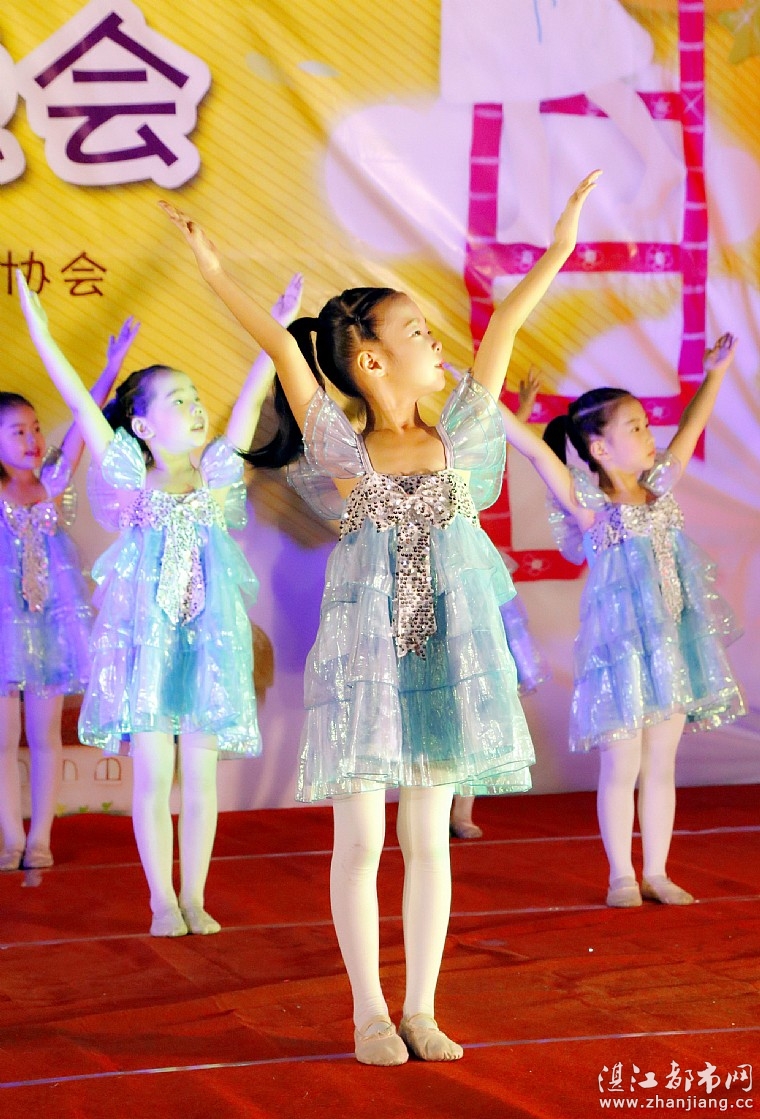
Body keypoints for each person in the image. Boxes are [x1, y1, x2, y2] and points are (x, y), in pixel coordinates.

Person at [159, 169, 598, 1063]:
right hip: (366, 659)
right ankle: (368, 1011)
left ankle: (422, 1008)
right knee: (359, 840)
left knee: (428, 838)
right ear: (369, 361)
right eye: (418, 332)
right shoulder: (338, 443)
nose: (437, 343)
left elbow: (507, 324)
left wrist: (560, 245)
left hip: (444, 651)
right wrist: (212, 270)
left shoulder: (463, 431)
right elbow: (282, 350)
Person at [17, 273, 302, 935]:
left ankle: (194, 896)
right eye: (179, 399)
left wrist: (277, 325)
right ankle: (160, 901)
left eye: (196, 396)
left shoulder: (218, 470)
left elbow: (252, 393)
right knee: (154, 775)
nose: (196, 406)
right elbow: (79, 402)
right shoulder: (129, 474)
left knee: (199, 776)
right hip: (148, 643)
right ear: (143, 426)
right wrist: (41, 333)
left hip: (206, 643)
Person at [496, 334, 744, 908]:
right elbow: (534, 451)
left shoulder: (659, 489)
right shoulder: (589, 506)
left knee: (662, 763)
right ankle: (621, 877)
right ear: (600, 448)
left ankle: (657, 871)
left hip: (672, 647)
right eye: (634, 427)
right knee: (622, 765)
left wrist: (714, 373)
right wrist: (484, 392)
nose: (649, 434)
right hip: (621, 654)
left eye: (645, 424)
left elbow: (690, 429)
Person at [0, 319, 139, 872]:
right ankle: (11, 837)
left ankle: (41, 837)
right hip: (6, 630)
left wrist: (109, 368)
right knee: (3, 740)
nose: (32, 440)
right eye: (17, 431)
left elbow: (84, 421)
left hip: (51, 629)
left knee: (44, 737)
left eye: (35, 428)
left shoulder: (52, 480)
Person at [450, 367, 549, 840]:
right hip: (439, 583)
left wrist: (520, 410)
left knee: (481, 696)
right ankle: (437, 804)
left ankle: (462, 809)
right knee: (446, 696)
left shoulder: (471, 465)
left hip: (480, 582)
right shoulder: (430, 455)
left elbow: (496, 446)